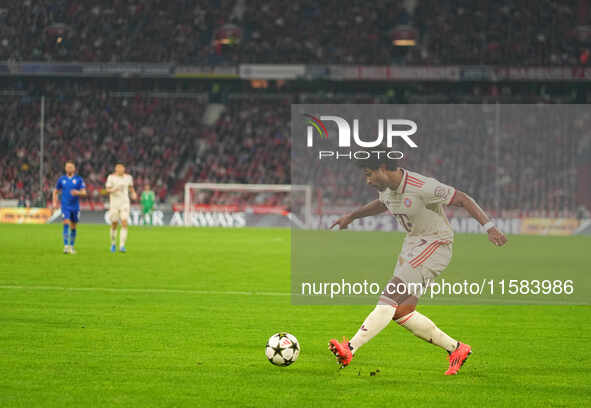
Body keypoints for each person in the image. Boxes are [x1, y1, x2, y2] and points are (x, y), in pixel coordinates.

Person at [328, 158, 507, 375]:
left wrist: (489, 227)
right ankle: (457, 349)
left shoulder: (422, 186)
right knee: (402, 311)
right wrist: (351, 216)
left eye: (369, 174)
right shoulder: (386, 188)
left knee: (390, 297)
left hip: (435, 244)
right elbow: (382, 204)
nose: (367, 181)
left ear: (383, 168)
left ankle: (350, 349)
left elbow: (462, 198)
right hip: (412, 245)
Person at [52, 161, 87, 254]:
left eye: (71, 167)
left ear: (74, 169)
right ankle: (66, 246)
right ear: (65, 168)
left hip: (75, 207)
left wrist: (77, 192)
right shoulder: (61, 179)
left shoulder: (79, 179)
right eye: (67, 167)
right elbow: (55, 191)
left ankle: (71, 246)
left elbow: (84, 192)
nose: (69, 168)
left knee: (73, 226)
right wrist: (54, 202)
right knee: (66, 223)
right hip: (65, 206)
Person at [105, 163, 137, 253]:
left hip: (125, 204)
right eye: (118, 169)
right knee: (114, 224)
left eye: (122, 169)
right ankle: (113, 243)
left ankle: (122, 245)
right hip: (114, 204)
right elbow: (107, 189)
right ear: (116, 170)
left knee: (124, 222)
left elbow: (131, 187)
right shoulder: (111, 177)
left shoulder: (128, 178)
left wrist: (133, 193)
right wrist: (113, 190)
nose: (121, 170)